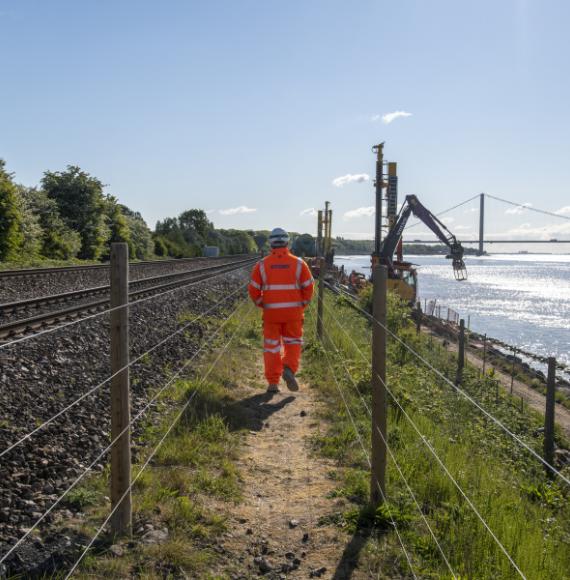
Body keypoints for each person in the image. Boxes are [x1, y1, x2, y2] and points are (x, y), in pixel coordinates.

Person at [248, 228, 315, 393]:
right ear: (287, 242)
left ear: (271, 243)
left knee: (271, 348)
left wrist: (262, 304)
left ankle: (272, 383)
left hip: (271, 315)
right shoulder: (300, 264)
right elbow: (309, 288)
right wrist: (301, 306)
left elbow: (253, 290)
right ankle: (289, 369)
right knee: (293, 344)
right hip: (293, 314)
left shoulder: (261, 265)